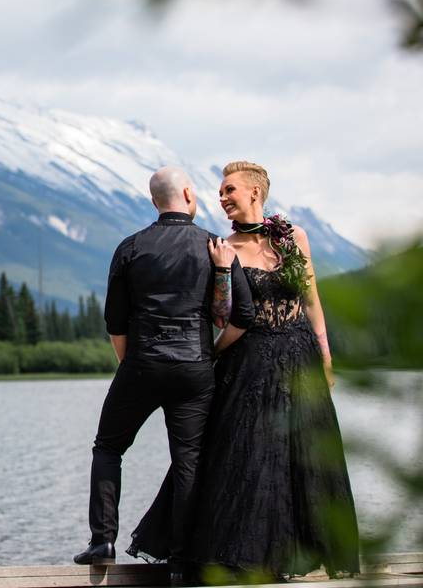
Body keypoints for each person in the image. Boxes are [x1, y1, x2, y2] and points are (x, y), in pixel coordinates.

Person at [128, 161, 360, 581]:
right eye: (219, 191)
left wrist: (325, 357)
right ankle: (240, 559)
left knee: (302, 455)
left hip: (300, 357)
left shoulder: (294, 238)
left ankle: (298, 555)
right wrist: (219, 270)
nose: (221, 197)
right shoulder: (221, 246)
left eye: (229, 189)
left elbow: (311, 302)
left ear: (255, 192)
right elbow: (222, 316)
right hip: (248, 361)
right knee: (248, 455)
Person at [73, 166, 254, 585]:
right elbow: (242, 315)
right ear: (189, 194)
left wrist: (131, 366)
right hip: (194, 367)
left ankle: (103, 540)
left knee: (108, 448)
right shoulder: (215, 245)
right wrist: (208, 354)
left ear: (154, 201)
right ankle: (180, 559)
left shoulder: (131, 247)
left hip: (142, 363)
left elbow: (115, 321)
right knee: (188, 460)